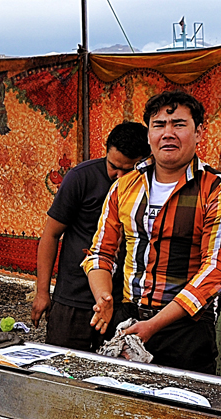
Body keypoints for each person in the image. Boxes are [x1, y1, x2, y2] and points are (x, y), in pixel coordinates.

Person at [82, 90, 221, 374]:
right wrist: (103, 297)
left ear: (199, 133)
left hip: (185, 329)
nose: (168, 133)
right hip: (126, 319)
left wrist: (154, 325)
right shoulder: (123, 187)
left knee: (182, 412)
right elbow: (100, 253)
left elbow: (216, 269)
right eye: (159, 125)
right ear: (149, 136)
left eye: (179, 124)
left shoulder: (218, 189)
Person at [31, 122, 149, 352]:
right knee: (62, 369)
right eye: (114, 166)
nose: (119, 176)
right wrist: (42, 292)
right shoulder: (80, 178)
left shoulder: (151, 187)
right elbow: (51, 235)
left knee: (114, 374)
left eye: (129, 170)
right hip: (73, 299)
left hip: (120, 302)